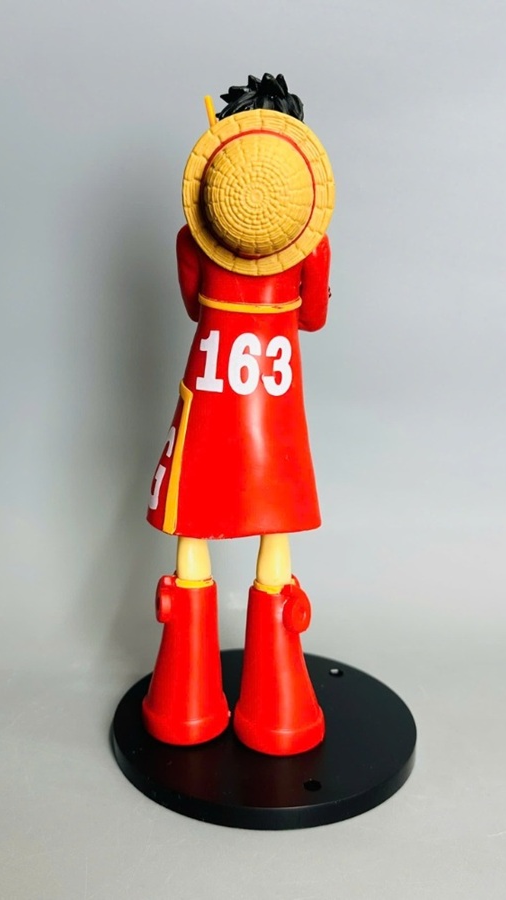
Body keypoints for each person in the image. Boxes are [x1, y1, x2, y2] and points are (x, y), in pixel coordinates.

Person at [142, 74, 335, 756]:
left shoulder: (191, 239)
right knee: (274, 526)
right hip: (275, 408)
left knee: (192, 520)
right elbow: (313, 319)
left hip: (209, 392)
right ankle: (277, 710)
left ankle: (183, 703)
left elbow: (193, 307)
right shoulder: (311, 244)